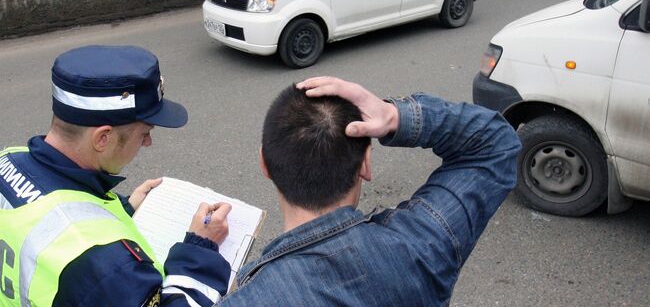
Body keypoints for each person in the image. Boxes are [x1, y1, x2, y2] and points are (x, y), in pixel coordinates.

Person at [217, 76, 522, 306]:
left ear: (264, 163)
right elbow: (495, 144)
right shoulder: (421, 246)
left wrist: (192, 266)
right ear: (365, 163)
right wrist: (393, 116)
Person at [0, 45, 231, 307]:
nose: (148, 143)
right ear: (103, 138)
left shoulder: (9, 159)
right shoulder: (105, 265)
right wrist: (201, 249)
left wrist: (125, 208)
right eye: (144, 133)